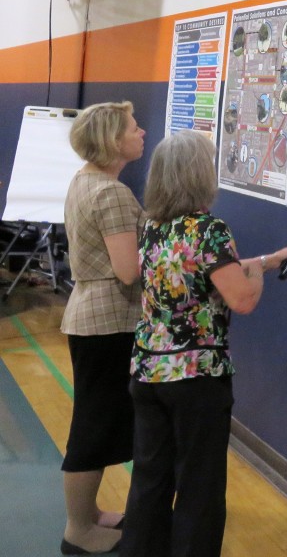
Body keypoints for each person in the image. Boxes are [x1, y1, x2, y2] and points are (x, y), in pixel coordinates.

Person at [120, 131, 287, 557]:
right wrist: (257, 277)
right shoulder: (210, 230)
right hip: (197, 381)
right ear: (200, 176)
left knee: (150, 481)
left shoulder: (151, 226)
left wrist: (267, 261)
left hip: (148, 372)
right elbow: (241, 297)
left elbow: (204, 271)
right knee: (200, 489)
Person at [61, 101, 147, 555]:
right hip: (107, 322)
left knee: (94, 420)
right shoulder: (113, 193)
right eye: (134, 128)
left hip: (88, 315)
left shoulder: (86, 181)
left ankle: (89, 514)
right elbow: (129, 272)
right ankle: (79, 529)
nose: (142, 132)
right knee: (94, 428)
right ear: (115, 141)